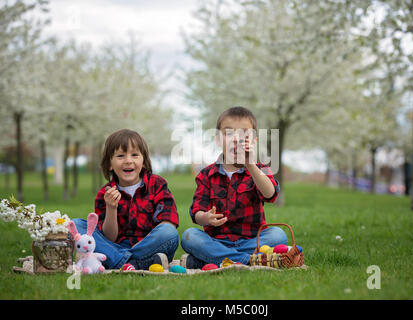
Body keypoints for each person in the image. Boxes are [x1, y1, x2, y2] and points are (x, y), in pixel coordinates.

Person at [180, 106, 287, 269]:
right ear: (218, 139)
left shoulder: (260, 168)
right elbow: (196, 212)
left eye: (244, 134)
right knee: (190, 236)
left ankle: (213, 260)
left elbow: (270, 194)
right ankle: (247, 261)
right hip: (216, 240)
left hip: (252, 240)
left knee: (278, 235)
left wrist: (250, 166)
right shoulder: (206, 174)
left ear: (254, 141)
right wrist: (206, 218)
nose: (236, 139)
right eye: (228, 133)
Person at [73, 129, 179, 270]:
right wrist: (111, 208)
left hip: (149, 246)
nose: (128, 161)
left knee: (169, 232)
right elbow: (109, 238)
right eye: (121, 156)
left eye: (135, 155)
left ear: (144, 162)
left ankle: (117, 260)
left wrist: (141, 246)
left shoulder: (158, 185)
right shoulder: (105, 194)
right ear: (110, 164)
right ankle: (136, 263)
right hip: (114, 245)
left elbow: (167, 224)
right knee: (77, 225)